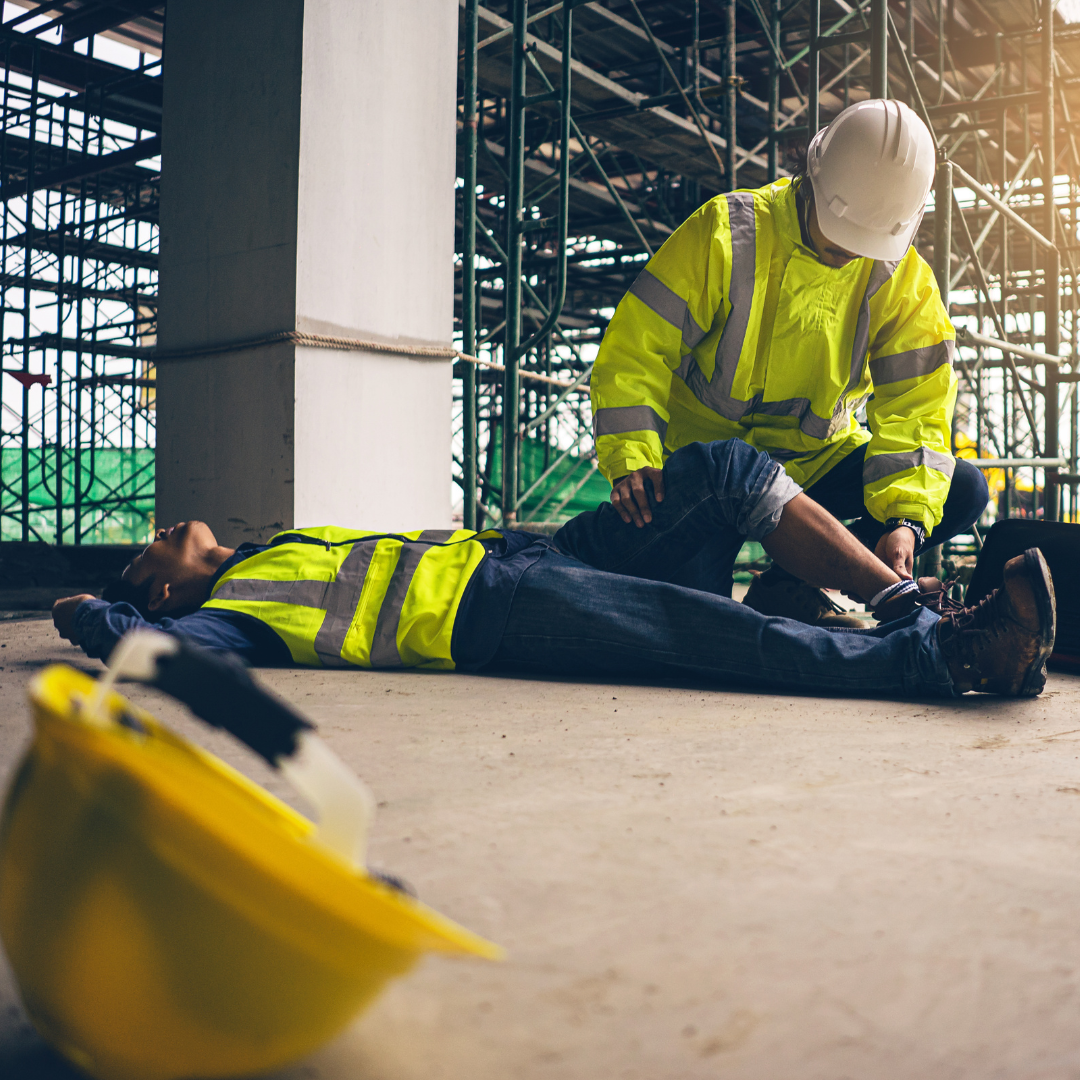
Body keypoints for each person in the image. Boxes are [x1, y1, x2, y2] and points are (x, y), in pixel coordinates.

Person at [52, 439, 1053, 700]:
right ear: (167, 585)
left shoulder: (272, 547)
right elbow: (153, 650)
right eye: (149, 549)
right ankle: (948, 657)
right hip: (498, 616)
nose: (166, 523)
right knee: (718, 639)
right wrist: (94, 611)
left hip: (519, 558)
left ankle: (900, 601)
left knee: (720, 477)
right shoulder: (230, 613)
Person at [590, 98, 989, 620]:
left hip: (812, 470)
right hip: (709, 474)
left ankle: (788, 584)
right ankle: (750, 573)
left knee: (963, 488)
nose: (848, 253)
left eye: (864, 244)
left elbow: (918, 408)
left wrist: (904, 520)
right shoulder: (728, 232)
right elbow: (635, 349)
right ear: (812, 178)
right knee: (699, 614)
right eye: (838, 235)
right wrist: (633, 461)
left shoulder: (903, 282)